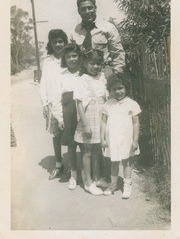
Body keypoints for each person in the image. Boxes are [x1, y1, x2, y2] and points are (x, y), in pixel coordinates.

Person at [101, 73, 141, 198]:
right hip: (112, 139)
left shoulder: (132, 104)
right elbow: (103, 121)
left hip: (126, 139)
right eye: (114, 89)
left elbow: (135, 123)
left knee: (127, 162)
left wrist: (135, 140)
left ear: (126, 87)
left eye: (120, 88)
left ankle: (127, 185)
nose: (118, 91)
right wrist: (102, 138)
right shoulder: (108, 104)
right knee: (113, 162)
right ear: (110, 90)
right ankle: (113, 184)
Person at [73, 49, 108, 196]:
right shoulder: (82, 79)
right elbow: (79, 104)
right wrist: (86, 124)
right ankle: (87, 182)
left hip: (101, 116)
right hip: (88, 117)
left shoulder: (102, 77)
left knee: (97, 149)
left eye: (98, 64)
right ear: (85, 64)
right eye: (92, 63)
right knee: (87, 151)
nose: (95, 67)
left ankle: (97, 178)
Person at [51, 43, 84, 190]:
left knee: (85, 144)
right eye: (68, 56)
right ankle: (74, 175)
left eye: (74, 56)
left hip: (84, 112)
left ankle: (87, 173)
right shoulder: (61, 76)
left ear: (79, 56)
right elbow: (56, 99)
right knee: (71, 144)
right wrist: (60, 118)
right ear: (64, 58)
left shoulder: (85, 73)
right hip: (68, 113)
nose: (72, 59)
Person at [71, 0, 125, 75]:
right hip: (82, 76)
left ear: (95, 8)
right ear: (79, 11)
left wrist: (116, 76)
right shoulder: (74, 32)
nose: (87, 12)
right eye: (83, 9)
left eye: (90, 8)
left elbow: (118, 54)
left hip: (104, 73)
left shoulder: (108, 28)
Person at [40, 29, 68, 180]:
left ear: (65, 42)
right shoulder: (48, 61)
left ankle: (73, 167)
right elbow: (44, 82)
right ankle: (59, 164)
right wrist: (44, 103)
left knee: (72, 134)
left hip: (69, 101)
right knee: (56, 135)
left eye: (60, 41)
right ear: (50, 44)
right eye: (55, 42)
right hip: (54, 102)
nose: (58, 44)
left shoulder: (69, 57)